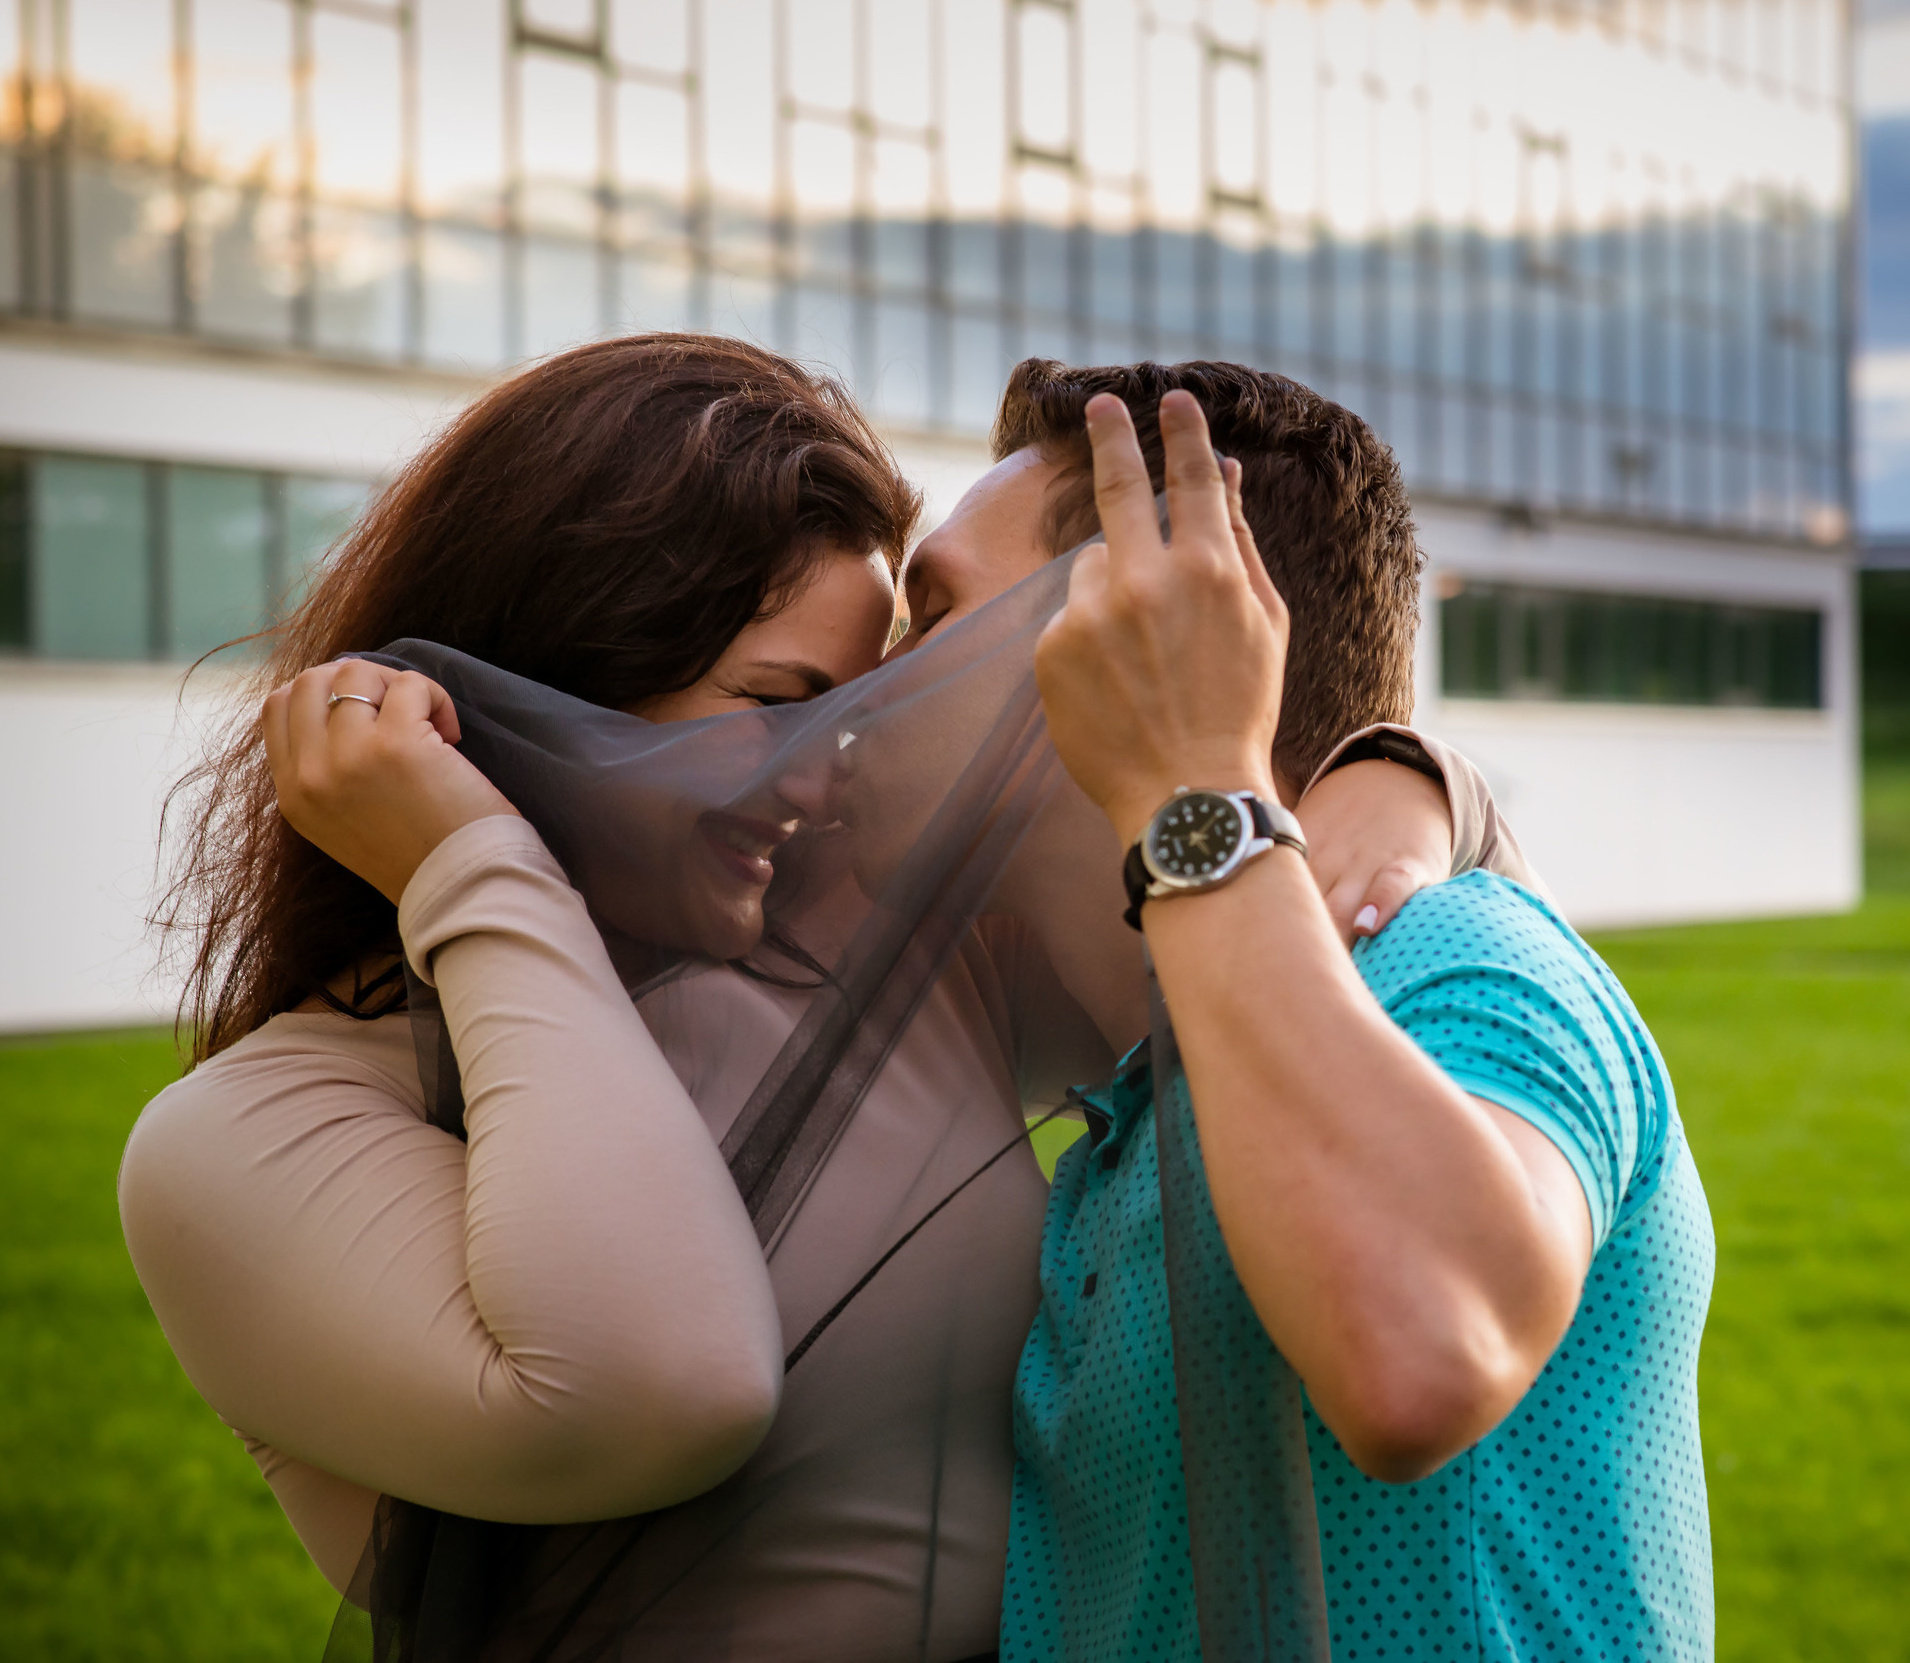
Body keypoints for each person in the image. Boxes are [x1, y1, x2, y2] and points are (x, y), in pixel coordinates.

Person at [121, 333, 1519, 1660]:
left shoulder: (865, 960)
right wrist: (480, 870)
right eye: (777, 700)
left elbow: (1220, 918)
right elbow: (668, 1383)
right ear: (566, 668)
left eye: (863, 700)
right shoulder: (244, 1138)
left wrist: (1393, 784)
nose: (837, 761)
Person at [1001, 371, 1718, 1661]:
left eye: (929, 628)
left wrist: (1192, 790)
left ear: (1136, 663)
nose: (861, 716)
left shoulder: (1456, 952)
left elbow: (1417, 1352)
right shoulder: (1130, 1092)